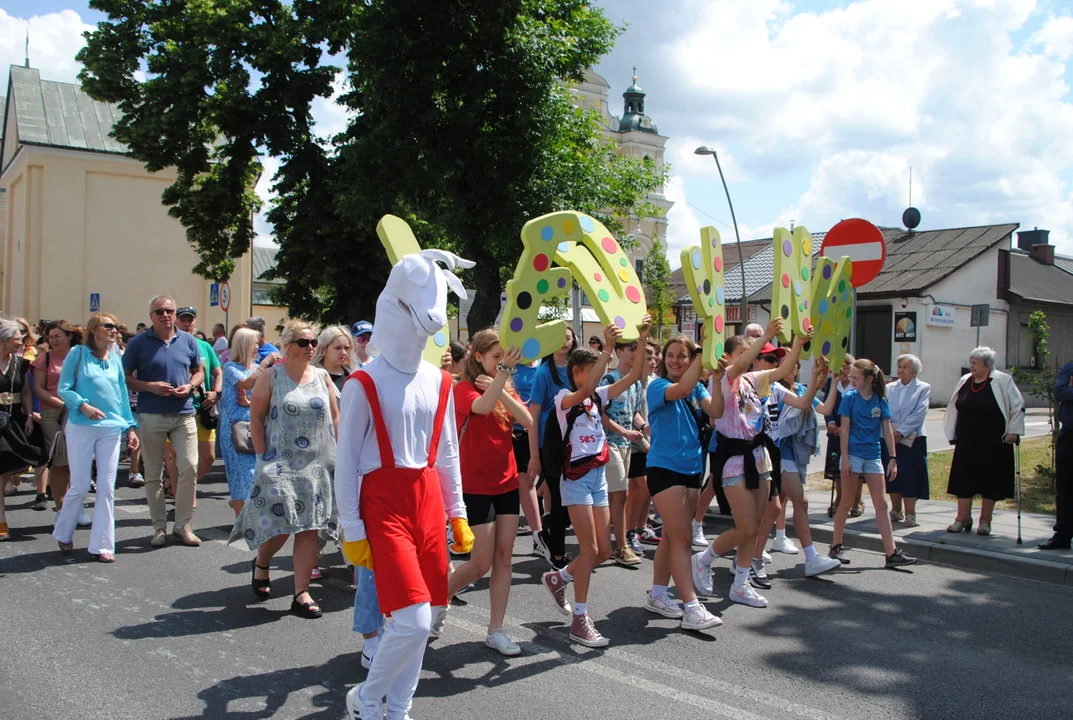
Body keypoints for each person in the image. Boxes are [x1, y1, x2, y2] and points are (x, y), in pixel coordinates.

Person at [335, 249, 474, 720]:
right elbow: (347, 462)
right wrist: (351, 527)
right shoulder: (362, 382)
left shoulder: (439, 381)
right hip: (384, 503)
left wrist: (457, 511)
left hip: (428, 500)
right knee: (411, 621)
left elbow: (448, 451)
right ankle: (367, 697)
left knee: (428, 616)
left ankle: (400, 707)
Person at [540, 320, 650, 647]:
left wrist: (641, 341)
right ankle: (580, 620)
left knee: (603, 551)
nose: (598, 376)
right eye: (590, 370)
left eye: (598, 370)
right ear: (576, 373)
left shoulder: (598, 398)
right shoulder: (564, 398)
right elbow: (587, 389)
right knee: (588, 550)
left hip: (598, 478)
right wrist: (608, 348)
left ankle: (558, 577)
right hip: (575, 480)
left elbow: (632, 376)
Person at [691, 319, 809, 608]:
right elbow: (741, 365)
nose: (752, 357)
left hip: (759, 456)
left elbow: (782, 370)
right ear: (729, 355)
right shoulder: (720, 378)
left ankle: (740, 584)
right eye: (744, 352)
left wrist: (798, 342)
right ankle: (703, 560)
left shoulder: (752, 380)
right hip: (733, 459)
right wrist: (766, 334)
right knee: (744, 527)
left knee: (755, 527)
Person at [230, 321, 338, 618]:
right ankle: (262, 563)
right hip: (280, 464)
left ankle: (301, 592)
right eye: (304, 342)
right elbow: (256, 418)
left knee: (309, 529)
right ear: (288, 345)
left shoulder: (323, 376)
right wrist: (263, 457)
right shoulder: (270, 376)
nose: (311, 347)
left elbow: (336, 419)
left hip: (317, 464)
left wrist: (342, 456)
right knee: (282, 525)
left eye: (314, 342)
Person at [447, 329, 532, 655]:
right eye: (496, 357)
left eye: (505, 357)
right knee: (480, 562)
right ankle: (432, 601)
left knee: (504, 559)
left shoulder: (503, 385)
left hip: (506, 482)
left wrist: (504, 389)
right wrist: (500, 381)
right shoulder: (464, 387)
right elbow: (481, 408)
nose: (502, 362)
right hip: (475, 485)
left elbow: (526, 419)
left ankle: (495, 630)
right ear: (478, 357)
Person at [641, 334, 722, 631]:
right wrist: (704, 351)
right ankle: (691, 607)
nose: (675, 360)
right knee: (683, 538)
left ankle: (658, 594)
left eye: (682, 356)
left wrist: (717, 376)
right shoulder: (659, 386)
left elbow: (716, 412)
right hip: (664, 469)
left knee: (673, 537)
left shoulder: (698, 386)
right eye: (670, 355)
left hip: (692, 470)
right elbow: (684, 386)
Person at [53, 314, 139, 562]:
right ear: (94, 330)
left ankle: (102, 545)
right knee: (80, 485)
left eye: (115, 327)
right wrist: (83, 406)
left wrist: (130, 427)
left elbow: (122, 394)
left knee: (106, 487)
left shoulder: (114, 359)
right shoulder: (78, 354)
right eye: (108, 326)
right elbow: (64, 389)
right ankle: (63, 530)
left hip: (111, 427)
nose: (114, 330)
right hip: (81, 425)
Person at [123, 294, 205, 548]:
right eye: (160, 312)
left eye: (170, 311)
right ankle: (159, 528)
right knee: (153, 474)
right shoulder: (138, 343)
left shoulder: (189, 340)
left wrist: (191, 386)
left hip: (183, 413)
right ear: (151, 316)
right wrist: (149, 386)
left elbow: (199, 371)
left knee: (189, 467)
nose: (166, 315)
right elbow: (125, 377)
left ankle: (182, 525)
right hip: (151, 414)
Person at [754, 359, 843, 578]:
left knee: (772, 508)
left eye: (795, 365)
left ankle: (750, 555)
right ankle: (810, 557)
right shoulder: (775, 389)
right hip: (778, 452)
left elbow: (825, 408)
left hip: (794, 453)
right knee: (800, 501)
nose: (792, 368)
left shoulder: (801, 389)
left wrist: (834, 381)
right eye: (786, 364)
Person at [828, 359, 917, 567]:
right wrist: (846, 459)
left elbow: (886, 430)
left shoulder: (879, 399)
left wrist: (893, 458)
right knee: (847, 501)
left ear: (869, 379)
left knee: (882, 504)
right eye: (850, 377)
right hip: (853, 454)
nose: (852, 380)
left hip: (873, 455)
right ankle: (835, 546)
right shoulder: (849, 398)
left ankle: (891, 553)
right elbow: (845, 431)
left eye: (856, 377)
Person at [943, 347, 1025, 536]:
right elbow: (955, 407)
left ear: (987, 366)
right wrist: (952, 432)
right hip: (966, 440)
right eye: (970, 362)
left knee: (991, 480)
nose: (971, 366)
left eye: (975, 363)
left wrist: (1013, 431)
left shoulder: (1002, 381)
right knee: (963, 479)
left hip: (993, 442)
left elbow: (1017, 406)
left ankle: (985, 521)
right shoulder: (965, 381)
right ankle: (962, 518)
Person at [527, 325, 579, 567]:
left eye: (568, 338)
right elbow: (533, 417)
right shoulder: (543, 373)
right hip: (549, 444)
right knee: (559, 499)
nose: (564, 342)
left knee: (570, 498)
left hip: (576, 443)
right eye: (559, 338)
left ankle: (548, 531)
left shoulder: (577, 369)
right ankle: (556, 553)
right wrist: (534, 456)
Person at [598, 339, 645, 567]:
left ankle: (606, 542)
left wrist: (644, 428)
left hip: (626, 444)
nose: (635, 353)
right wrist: (625, 432)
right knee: (621, 494)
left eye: (637, 349)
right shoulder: (610, 379)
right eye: (630, 349)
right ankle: (621, 545)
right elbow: (600, 414)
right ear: (618, 352)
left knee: (614, 496)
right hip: (610, 443)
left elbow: (634, 413)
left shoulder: (636, 383)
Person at [219, 328, 276, 516]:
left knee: (256, 474)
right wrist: (265, 364)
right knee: (241, 475)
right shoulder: (231, 367)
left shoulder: (255, 368)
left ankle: (250, 515)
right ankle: (240, 519)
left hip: (256, 426)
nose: (258, 348)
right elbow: (247, 383)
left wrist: (250, 402)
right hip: (236, 429)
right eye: (254, 344)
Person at [32, 321, 84, 518]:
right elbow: (39, 388)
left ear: (69, 336)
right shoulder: (44, 359)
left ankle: (76, 505)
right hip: (53, 413)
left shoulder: (81, 356)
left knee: (77, 461)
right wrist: (63, 404)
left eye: (57, 336)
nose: (53, 340)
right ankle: (61, 508)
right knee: (60, 461)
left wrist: (77, 405)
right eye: (50, 337)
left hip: (79, 412)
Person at [0, 320, 46, 540]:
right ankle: (1, 520)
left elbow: (27, 392)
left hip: (14, 419)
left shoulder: (21, 364)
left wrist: (29, 416)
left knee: (6, 469)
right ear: (3, 341)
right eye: (17, 338)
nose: (21, 342)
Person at [176, 307, 223, 492]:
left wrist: (216, 393)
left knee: (209, 457)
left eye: (190, 320)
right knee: (177, 458)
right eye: (183, 321)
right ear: (176, 322)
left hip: (203, 408)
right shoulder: (171, 344)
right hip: (179, 408)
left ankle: (184, 487)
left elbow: (218, 373)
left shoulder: (205, 346)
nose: (187, 324)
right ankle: (184, 494)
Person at [885, 355, 931, 527]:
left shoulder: (923, 388)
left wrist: (901, 432)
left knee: (910, 475)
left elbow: (920, 412)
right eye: (899, 366)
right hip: (890, 436)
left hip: (912, 438)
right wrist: (890, 432)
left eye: (904, 367)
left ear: (914, 371)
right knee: (892, 474)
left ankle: (910, 513)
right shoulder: (889, 388)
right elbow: (885, 410)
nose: (900, 370)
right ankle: (896, 510)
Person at [626, 340, 659, 553]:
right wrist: (643, 441)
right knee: (639, 489)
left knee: (648, 490)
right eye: (648, 358)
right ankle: (629, 532)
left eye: (655, 357)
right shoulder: (631, 382)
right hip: (635, 444)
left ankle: (641, 526)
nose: (653, 361)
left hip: (652, 444)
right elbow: (629, 415)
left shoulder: (656, 382)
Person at [821, 355, 863, 516]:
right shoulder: (833, 382)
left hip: (854, 432)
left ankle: (856, 499)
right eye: (841, 367)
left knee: (855, 467)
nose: (844, 371)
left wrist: (847, 427)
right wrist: (830, 422)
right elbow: (827, 405)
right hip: (835, 432)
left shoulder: (858, 384)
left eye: (847, 367)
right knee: (837, 466)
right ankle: (839, 498)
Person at [1040, 359, 1073, 549]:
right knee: (1065, 489)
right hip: (1068, 437)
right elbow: (1059, 392)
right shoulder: (1069, 368)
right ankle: (1062, 535)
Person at [512, 357, 541, 537]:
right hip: (518, 432)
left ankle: (542, 528)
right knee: (525, 480)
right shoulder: (513, 367)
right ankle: (538, 533)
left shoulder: (544, 366)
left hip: (542, 430)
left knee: (533, 481)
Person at [313, 325, 356, 393]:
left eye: (346, 348)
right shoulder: (313, 376)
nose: (343, 352)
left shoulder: (354, 375)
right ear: (324, 349)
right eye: (338, 348)